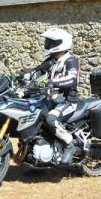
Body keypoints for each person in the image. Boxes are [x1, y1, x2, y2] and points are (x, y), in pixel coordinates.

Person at [22, 28, 80, 164]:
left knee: (50, 119)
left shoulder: (71, 61)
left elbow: (71, 79)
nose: (47, 45)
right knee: (34, 113)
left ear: (61, 43)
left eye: (51, 42)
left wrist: (51, 82)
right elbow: (37, 71)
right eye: (48, 42)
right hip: (52, 100)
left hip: (67, 101)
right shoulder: (52, 60)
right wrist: (22, 75)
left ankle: (69, 144)